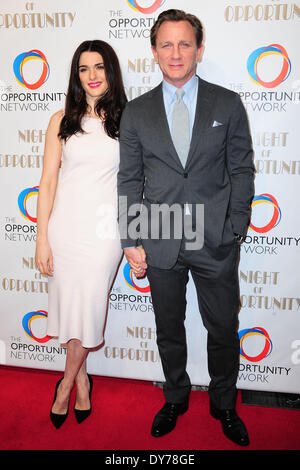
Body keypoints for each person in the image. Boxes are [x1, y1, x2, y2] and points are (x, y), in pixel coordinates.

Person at [118, 9, 254, 446]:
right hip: (159, 238)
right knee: (169, 327)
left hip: (215, 239)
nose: (175, 53)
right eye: (166, 44)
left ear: (198, 48)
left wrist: (235, 228)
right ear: (154, 52)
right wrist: (130, 238)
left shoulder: (227, 103)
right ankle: (175, 396)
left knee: (221, 328)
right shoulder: (136, 112)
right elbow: (129, 178)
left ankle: (224, 403)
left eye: (184, 43)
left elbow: (241, 169)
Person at [35, 40, 127, 428]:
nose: (92, 76)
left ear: (111, 72)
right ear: (76, 76)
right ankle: (83, 380)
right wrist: (42, 237)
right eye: (84, 69)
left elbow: (136, 183)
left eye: (100, 67)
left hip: (105, 233)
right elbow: (48, 182)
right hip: (66, 229)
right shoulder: (61, 120)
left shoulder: (128, 120)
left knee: (89, 311)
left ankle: (64, 384)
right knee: (74, 312)